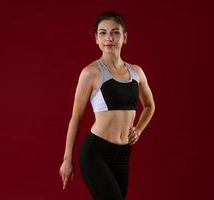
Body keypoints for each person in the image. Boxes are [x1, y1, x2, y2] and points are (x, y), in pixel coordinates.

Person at [59, 11, 155, 200]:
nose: (109, 38)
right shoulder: (91, 73)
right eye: (102, 33)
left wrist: (139, 130)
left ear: (125, 37)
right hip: (95, 153)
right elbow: (76, 117)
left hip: (123, 153)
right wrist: (67, 159)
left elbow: (150, 105)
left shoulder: (137, 72)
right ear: (96, 38)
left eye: (115, 32)